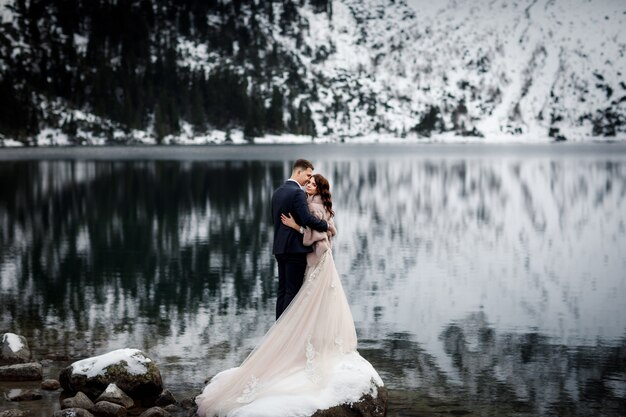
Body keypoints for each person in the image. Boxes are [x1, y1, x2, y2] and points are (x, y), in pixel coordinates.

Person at [195, 172, 383, 417]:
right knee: (314, 299)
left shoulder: (315, 205)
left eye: (313, 183)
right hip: (316, 259)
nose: (308, 185)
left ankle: (304, 338)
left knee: (311, 299)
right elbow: (328, 228)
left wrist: (298, 227)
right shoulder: (314, 202)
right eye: (308, 182)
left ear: (319, 189)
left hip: (318, 258)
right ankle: (311, 337)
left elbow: (324, 234)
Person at [270, 159, 328, 320]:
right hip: (294, 250)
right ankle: (286, 331)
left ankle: (277, 331)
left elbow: (274, 220)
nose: (308, 180)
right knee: (292, 292)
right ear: (298, 172)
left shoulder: (278, 192)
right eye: (308, 175)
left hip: (279, 248)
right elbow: (306, 219)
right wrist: (324, 225)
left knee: (282, 291)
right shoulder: (297, 193)